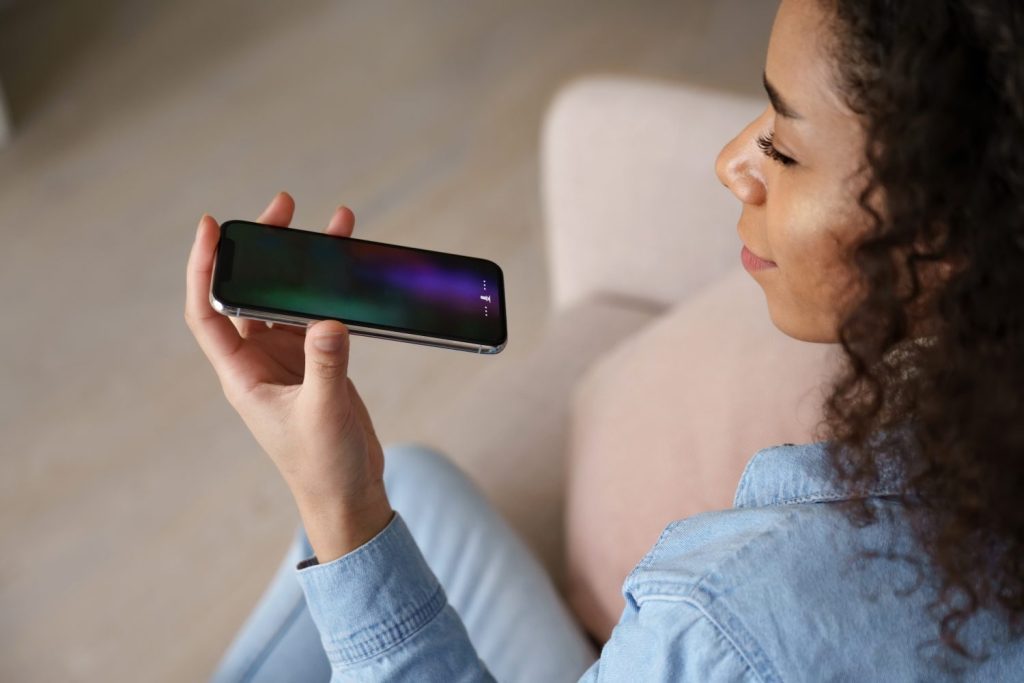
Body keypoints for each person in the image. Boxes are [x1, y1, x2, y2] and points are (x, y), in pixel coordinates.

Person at [185, 0, 1024, 679]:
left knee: (377, 498)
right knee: (411, 480)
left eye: (784, 145)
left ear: (942, 235)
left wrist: (336, 503)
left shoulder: (724, 618)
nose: (733, 161)